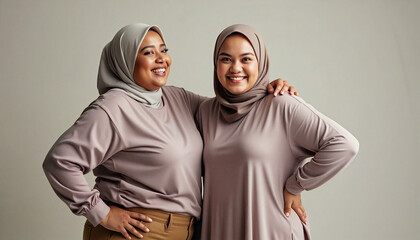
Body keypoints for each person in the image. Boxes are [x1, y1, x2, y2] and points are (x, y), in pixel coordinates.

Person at [42, 23, 298, 240]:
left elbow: (232, 110)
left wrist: (266, 90)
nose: (161, 58)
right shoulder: (113, 108)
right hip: (137, 232)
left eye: (164, 50)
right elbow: (60, 162)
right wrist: (102, 214)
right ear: (126, 60)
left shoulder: (177, 98)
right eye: (149, 52)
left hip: (185, 231)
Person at [196, 24, 359, 240]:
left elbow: (344, 144)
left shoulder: (281, 105)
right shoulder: (205, 111)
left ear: (260, 62)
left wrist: (296, 185)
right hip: (220, 231)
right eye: (226, 59)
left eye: (246, 59)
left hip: (270, 230)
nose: (235, 68)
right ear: (215, 64)